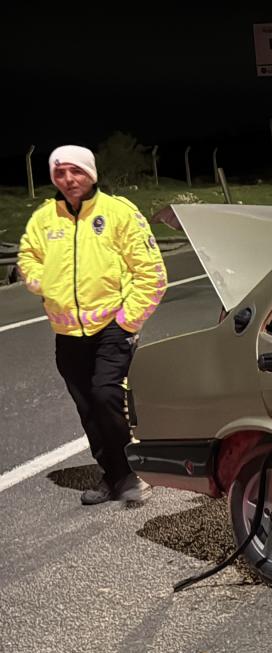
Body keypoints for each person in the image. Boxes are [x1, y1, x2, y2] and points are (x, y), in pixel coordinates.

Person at [18, 146, 168, 505]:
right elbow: (27, 259)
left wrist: (128, 321)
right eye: (60, 172)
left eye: (77, 171)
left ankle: (133, 472)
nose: (68, 179)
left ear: (91, 173)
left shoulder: (118, 213)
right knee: (88, 409)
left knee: (106, 396)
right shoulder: (44, 218)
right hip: (67, 333)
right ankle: (113, 474)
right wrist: (45, 283)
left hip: (112, 326)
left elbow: (152, 274)